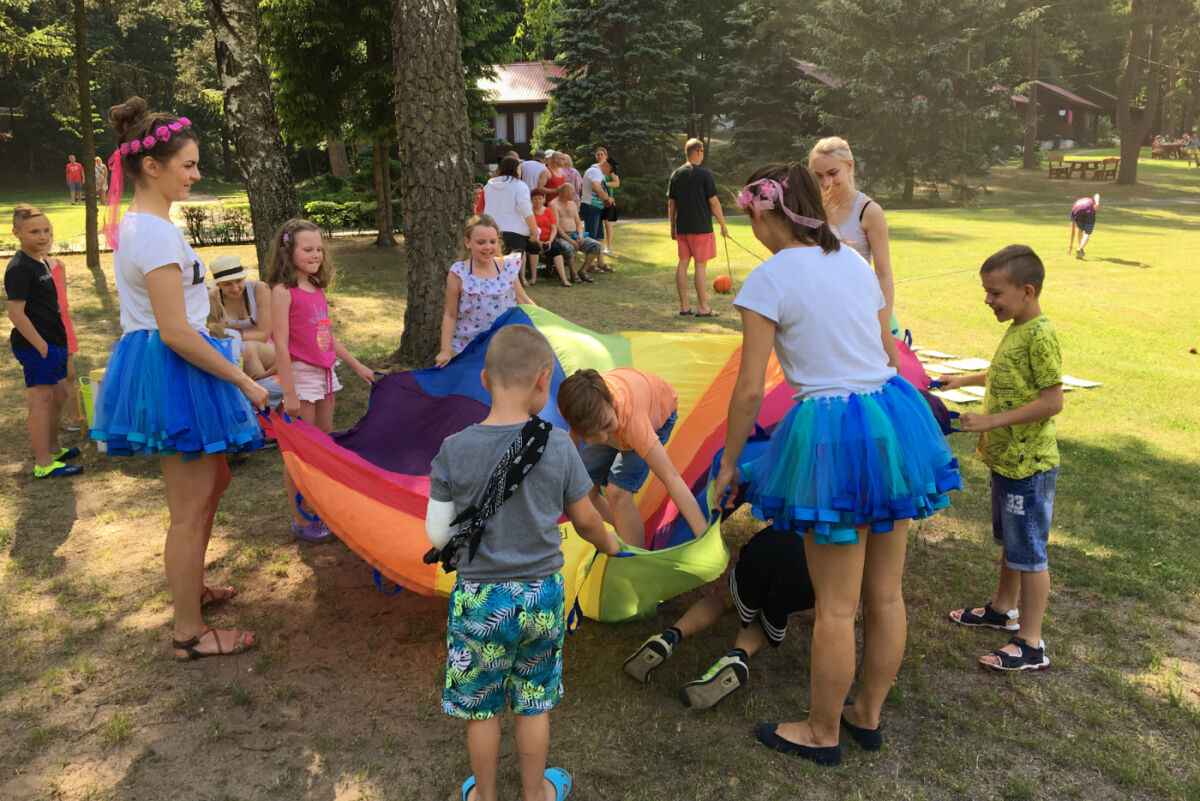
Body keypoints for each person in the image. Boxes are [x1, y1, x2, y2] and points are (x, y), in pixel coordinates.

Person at [712, 162, 961, 766]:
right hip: (888, 422)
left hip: (830, 434)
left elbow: (750, 389)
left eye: (750, 216)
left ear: (765, 212)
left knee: (837, 606)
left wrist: (729, 463)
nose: (752, 229)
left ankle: (821, 731)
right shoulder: (850, 260)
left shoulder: (768, 278)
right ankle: (866, 714)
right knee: (886, 595)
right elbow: (887, 353)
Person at [91, 97, 268, 661]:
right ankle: (189, 633)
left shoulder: (147, 226)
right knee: (189, 510)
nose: (196, 174)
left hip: (178, 365)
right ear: (152, 166)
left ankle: (192, 590)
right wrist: (245, 381)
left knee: (213, 484)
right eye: (188, 165)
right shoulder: (153, 234)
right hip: (177, 368)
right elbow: (174, 331)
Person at [427, 324, 621, 801]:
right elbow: (586, 521)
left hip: (480, 600)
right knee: (534, 703)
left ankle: (485, 796)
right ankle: (536, 795)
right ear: (544, 380)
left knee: (482, 708)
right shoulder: (558, 445)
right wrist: (611, 544)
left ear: (484, 381)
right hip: (540, 597)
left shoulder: (453, 449)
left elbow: (438, 535)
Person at [938, 245, 1062, 673]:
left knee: (1029, 553)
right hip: (1008, 461)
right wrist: (963, 380)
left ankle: (1031, 643)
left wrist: (991, 421)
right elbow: (1005, 373)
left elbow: (1052, 402)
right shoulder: (1019, 328)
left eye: (995, 293)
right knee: (1013, 543)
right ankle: (1003, 609)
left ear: (1027, 291)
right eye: (986, 292)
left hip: (1029, 466)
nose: (988, 300)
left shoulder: (1040, 334)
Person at [623, 525, 815, 711]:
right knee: (763, 616)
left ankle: (668, 638)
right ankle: (736, 658)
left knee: (725, 599)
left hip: (773, 542)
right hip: (809, 564)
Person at [269, 218, 375, 543]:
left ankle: (320, 507)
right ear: (288, 251)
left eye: (319, 248)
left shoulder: (316, 289)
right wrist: (289, 392)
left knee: (323, 444)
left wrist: (356, 365)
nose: (316, 255)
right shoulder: (282, 292)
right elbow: (281, 345)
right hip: (300, 377)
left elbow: (327, 337)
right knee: (301, 451)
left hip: (325, 375)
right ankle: (301, 519)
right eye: (307, 249)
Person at [557, 367, 710, 547]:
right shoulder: (578, 408)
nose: (604, 439)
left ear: (612, 401)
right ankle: (621, 536)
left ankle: (636, 556)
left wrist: (705, 539)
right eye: (591, 435)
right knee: (584, 487)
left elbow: (671, 477)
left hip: (656, 411)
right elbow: (574, 437)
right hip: (613, 415)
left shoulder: (634, 424)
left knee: (618, 493)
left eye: (606, 426)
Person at [5, 204, 82, 478]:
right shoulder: (19, 268)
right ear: (17, 233)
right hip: (37, 346)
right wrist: (41, 346)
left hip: (55, 342)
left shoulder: (41, 261)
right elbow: (15, 313)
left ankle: (53, 449)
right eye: (34, 232)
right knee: (41, 402)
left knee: (59, 395)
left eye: (46, 230)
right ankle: (44, 463)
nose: (43, 236)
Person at [808, 136, 902, 355]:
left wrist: (883, 327)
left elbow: (884, 275)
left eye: (833, 173)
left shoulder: (869, 211)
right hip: (816, 310)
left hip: (857, 312)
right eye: (818, 176)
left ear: (849, 166)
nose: (826, 183)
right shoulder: (811, 208)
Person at [435, 214, 534, 368]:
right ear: (468, 243)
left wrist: (548, 324)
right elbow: (450, 314)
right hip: (467, 349)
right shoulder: (459, 273)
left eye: (492, 242)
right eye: (481, 242)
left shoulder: (508, 267)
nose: (488, 247)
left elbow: (523, 300)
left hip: (504, 346)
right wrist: (445, 350)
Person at [667, 138, 728, 317]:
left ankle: (684, 306)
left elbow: (671, 203)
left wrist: (672, 226)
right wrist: (723, 225)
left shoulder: (676, 174)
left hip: (682, 228)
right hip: (701, 228)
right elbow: (714, 202)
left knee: (683, 263)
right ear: (699, 152)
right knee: (700, 266)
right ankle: (703, 307)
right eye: (702, 152)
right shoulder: (704, 174)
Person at [208, 254, 275, 379]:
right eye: (227, 284)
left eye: (239, 281)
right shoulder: (213, 297)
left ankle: (263, 388)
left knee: (246, 349)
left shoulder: (260, 289)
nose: (235, 288)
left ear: (245, 277)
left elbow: (263, 335)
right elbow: (214, 333)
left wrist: (233, 337)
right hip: (230, 348)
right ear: (218, 285)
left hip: (267, 347)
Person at [476, 157, 538, 256]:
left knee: (494, 264)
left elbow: (479, 211)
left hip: (492, 232)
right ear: (516, 169)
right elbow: (525, 209)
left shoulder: (488, 187)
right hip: (516, 233)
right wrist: (535, 231)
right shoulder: (520, 186)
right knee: (511, 265)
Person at [48, 248, 81, 432]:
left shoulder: (59, 265)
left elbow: (63, 301)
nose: (44, 238)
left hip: (64, 326)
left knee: (70, 374)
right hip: (46, 329)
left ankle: (75, 419)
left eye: (49, 234)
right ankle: (48, 420)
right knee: (50, 377)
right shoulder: (30, 267)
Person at [549, 184, 607, 282]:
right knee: (568, 247)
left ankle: (583, 271)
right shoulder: (553, 204)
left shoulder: (572, 204)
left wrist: (580, 235)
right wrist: (570, 240)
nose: (575, 194)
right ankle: (573, 273)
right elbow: (556, 226)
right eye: (573, 192)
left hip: (575, 235)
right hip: (561, 236)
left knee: (596, 245)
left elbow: (578, 222)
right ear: (565, 192)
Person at [526, 190, 573, 288]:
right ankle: (533, 278)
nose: (537, 201)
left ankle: (564, 279)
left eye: (540, 198)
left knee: (556, 249)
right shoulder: (529, 212)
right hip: (535, 240)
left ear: (544, 199)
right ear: (531, 200)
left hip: (548, 240)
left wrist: (550, 241)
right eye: (535, 199)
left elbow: (554, 227)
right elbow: (528, 230)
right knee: (533, 247)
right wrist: (538, 242)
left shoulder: (548, 211)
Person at [580, 158, 614, 260]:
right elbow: (597, 188)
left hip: (597, 208)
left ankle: (601, 262)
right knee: (592, 237)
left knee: (599, 236)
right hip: (591, 207)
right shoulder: (595, 172)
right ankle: (589, 264)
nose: (610, 173)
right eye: (610, 170)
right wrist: (607, 198)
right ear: (607, 166)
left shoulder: (599, 172)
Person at [1067, 193, 1099, 259]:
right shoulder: (1090, 201)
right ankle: (1080, 248)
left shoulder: (1075, 207)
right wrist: (1097, 202)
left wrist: (1070, 247)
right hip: (1090, 211)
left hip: (1078, 213)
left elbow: (1072, 230)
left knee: (1081, 229)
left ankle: (1080, 250)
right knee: (1087, 233)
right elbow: (1097, 195)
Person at [601, 156, 620, 255]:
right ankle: (599, 246)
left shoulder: (610, 170)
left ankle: (608, 247)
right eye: (598, 154)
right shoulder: (596, 168)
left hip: (607, 198)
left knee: (607, 223)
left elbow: (617, 183)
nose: (599, 156)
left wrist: (604, 184)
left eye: (602, 154)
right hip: (598, 198)